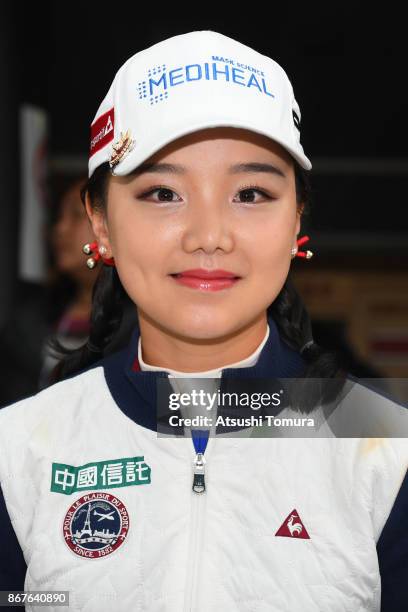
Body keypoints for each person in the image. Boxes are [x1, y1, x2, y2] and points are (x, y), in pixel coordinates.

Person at [0, 30, 406, 612]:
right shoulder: (19, 451)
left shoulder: (386, 448)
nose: (209, 236)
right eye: (163, 193)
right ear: (101, 223)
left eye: (251, 193)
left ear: (297, 222)